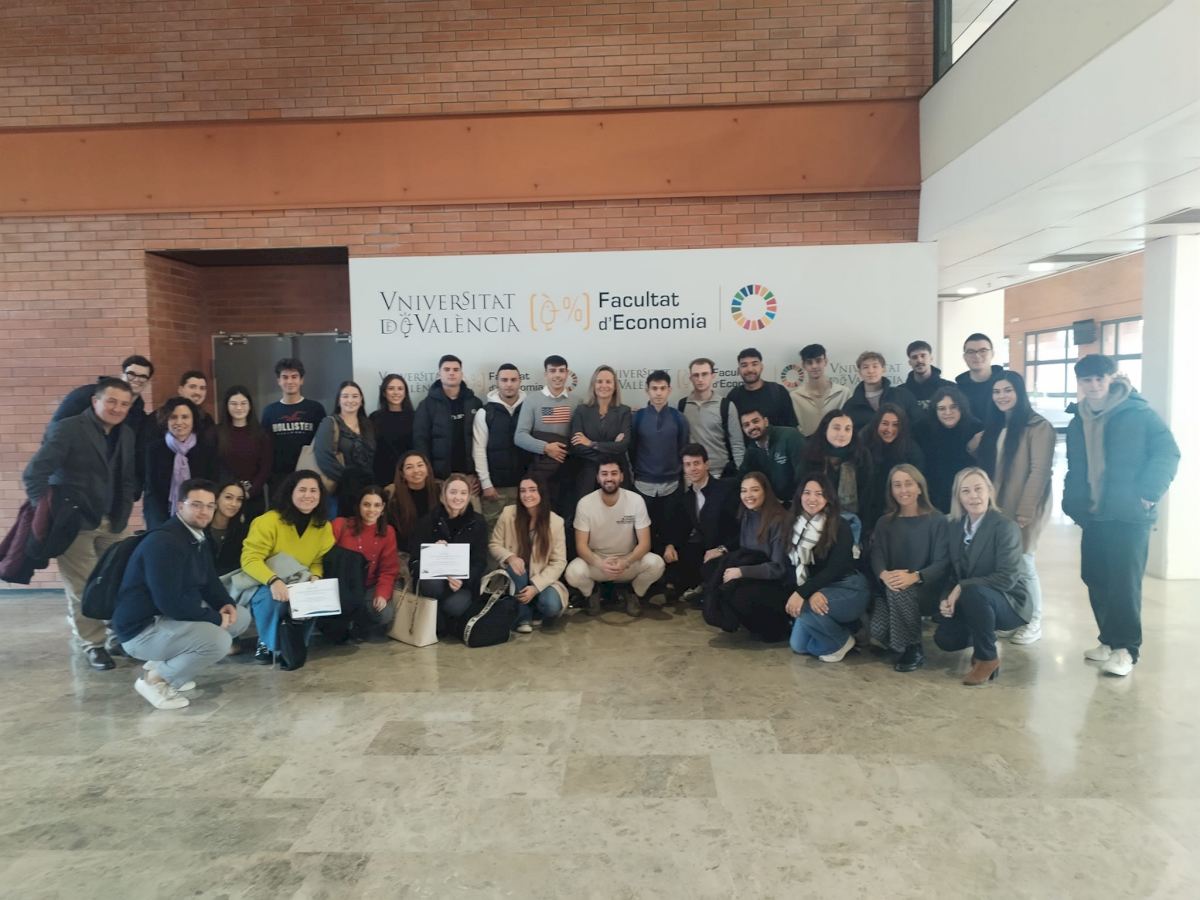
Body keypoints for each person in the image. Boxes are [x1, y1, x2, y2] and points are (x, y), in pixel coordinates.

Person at [1063, 354, 1180, 677]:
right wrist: (1072, 500)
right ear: (1080, 383)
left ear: (1112, 378)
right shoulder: (1079, 419)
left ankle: (1126, 649)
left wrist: (1148, 493)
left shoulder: (1138, 413)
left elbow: (1168, 452)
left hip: (1129, 515)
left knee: (1124, 584)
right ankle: (1109, 639)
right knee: (1096, 578)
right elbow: (1076, 466)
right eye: (1087, 380)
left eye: (1100, 378)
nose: (1094, 386)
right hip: (1094, 514)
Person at [23, 377, 139, 670]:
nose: (117, 408)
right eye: (111, 401)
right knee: (83, 587)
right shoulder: (69, 429)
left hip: (113, 521)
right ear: (95, 401)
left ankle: (116, 636)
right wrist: (48, 512)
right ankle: (93, 644)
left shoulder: (126, 434)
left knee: (120, 579)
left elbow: (127, 479)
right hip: (75, 524)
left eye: (124, 404)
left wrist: (124, 510)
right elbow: (34, 474)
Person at [113, 478, 251, 709]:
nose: (204, 511)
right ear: (180, 506)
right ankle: (156, 680)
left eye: (209, 506)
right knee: (218, 641)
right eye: (196, 504)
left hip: (166, 618)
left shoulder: (195, 535)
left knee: (240, 616)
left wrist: (225, 603)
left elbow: (208, 579)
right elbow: (170, 603)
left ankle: (167, 665)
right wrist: (215, 618)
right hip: (141, 630)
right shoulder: (164, 542)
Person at [975, 371, 1055, 645]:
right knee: (1006, 564)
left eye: (1007, 390)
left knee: (1024, 563)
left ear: (1020, 392)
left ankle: (1034, 621)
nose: (1002, 396)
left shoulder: (1038, 426)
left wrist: (1026, 509)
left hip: (1023, 505)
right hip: (997, 506)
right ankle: (1016, 616)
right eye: (996, 392)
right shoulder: (997, 426)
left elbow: (1039, 471)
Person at [933, 468, 1031, 686]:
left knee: (974, 592)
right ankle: (983, 636)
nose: (973, 496)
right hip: (975, 600)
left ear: (989, 491)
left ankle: (987, 658)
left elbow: (1007, 578)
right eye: (965, 491)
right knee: (945, 639)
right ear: (958, 497)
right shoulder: (955, 527)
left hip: (1009, 600)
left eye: (978, 489)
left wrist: (963, 586)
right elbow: (953, 573)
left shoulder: (1005, 527)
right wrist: (946, 598)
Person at [242, 470, 335, 667]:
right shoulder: (268, 521)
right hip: (265, 581)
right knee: (273, 600)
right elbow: (250, 559)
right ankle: (266, 642)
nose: (308, 495)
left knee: (314, 598)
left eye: (313, 491)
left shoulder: (323, 526)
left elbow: (318, 560)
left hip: (300, 580)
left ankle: (294, 643)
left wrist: (316, 577)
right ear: (290, 492)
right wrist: (273, 581)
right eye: (302, 490)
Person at [868, 464, 948, 671]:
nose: (903, 490)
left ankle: (914, 647)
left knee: (900, 590)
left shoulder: (937, 520)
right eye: (897, 485)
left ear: (919, 488)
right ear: (891, 490)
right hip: (891, 585)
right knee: (877, 632)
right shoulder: (884, 522)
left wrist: (915, 577)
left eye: (908, 484)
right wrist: (884, 575)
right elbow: (877, 555)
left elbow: (942, 562)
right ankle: (900, 637)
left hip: (926, 588)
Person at [784, 475, 871, 661]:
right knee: (799, 646)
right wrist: (810, 592)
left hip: (848, 587)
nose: (812, 498)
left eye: (819, 494)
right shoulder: (793, 525)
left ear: (828, 498)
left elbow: (836, 569)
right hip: (818, 588)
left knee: (805, 609)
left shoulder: (840, 525)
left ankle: (843, 641)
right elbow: (790, 566)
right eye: (807, 493)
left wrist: (804, 593)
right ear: (799, 496)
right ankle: (847, 628)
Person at [565, 461, 665, 617]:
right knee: (573, 573)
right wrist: (600, 564)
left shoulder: (636, 500)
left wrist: (626, 561)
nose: (609, 478)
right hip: (597, 563)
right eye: (604, 474)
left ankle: (632, 593)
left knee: (656, 564)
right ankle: (592, 593)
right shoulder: (585, 503)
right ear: (598, 478)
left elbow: (645, 543)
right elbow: (581, 546)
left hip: (628, 561)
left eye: (614, 473)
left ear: (621, 476)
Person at [703, 472, 792, 640]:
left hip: (776, 582)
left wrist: (741, 572)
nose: (748, 495)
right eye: (744, 491)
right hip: (754, 572)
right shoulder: (746, 514)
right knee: (712, 568)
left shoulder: (778, 521)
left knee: (740, 595)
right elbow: (744, 551)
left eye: (754, 490)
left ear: (765, 491)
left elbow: (778, 569)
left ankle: (774, 627)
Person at [49, 354, 154, 496]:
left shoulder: (139, 416)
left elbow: (134, 454)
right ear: (122, 374)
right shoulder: (85, 395)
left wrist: (132, 488)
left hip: (109, 489)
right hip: (72, 484)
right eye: (131, 374)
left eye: (143, 377)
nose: (136, 379)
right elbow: (56, 431)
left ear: (148, 382)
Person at [660, 443, 739, 603]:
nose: (692, 469)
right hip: (705, 549)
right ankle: (684, 588)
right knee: (674, 554)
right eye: (688, 464)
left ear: (706, 464)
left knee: (710, 568)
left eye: (696, 463)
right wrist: (670, 545)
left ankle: (704, 591)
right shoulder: (688, 497)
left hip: (728, 549)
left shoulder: (725, 490)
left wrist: (722, 549)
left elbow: (740, 529)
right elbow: (682, 528)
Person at [489, 475, 568, 634]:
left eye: (532, 490)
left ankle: (535, 609)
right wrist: (510, 557)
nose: (527, 495)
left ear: (541, 493)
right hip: (516, 576)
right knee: (517, 569)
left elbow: (559, 561)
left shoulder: (556, 522)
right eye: (523, 491)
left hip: (541, 579)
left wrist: (536, 587)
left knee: (551, 605)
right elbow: (494, 544)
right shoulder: (508, 514)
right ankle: (523, 617)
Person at [410, 474, 490, 625]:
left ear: (469, 496)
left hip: (462, 584)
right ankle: (436, 622)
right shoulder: (427, 521)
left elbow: (480, 562)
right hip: (434, 581)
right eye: (453, 492)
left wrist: (463, 580)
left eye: (463, 493)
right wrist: (432, 552)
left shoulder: (478, 522)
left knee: (454, 606)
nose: (458, 497)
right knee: (432, 584)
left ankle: (439, 621)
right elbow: (414, 561)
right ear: (444, 495)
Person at [631, 370, 690, 561]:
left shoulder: (679, 418)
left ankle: (669, 575)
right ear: (647, 390)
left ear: (669, 390)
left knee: (670, 534)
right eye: (654, 388)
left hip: (671, 485)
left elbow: (683, 450)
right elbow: (632, 449)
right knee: (644, 533)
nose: (658, 393)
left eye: (662, 388)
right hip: (643, 484)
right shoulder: (637, 417)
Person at [332, 485, 400, 636]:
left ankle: (359, 623)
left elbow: (389, 569)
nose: (371, 510)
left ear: (383, 508)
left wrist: (382, 593)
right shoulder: (340, 525)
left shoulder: (388, 532)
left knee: (384, 614)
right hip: (343, 586)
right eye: (367, 504)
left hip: (369, 585)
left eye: (377, 505)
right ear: (359, 506)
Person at [515, 354, 579, 511]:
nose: (557, 375)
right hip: (541, 470)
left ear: (567, 373)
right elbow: (520, 436)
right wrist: (546, 448)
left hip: (568, 470)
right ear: (546, 374)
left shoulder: (577, 401)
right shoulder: (532, 400)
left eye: (561, 371)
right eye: (552, 371)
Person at [473, 363, 531, 528]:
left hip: (525, 486)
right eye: (504, 380)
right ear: (497, 382)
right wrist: (486, 484)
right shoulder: (485, 413)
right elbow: (478, 450)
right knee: (493, 531)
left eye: (513, 380)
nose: (509, 384)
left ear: (520, 381)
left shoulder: (530, 409)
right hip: (496, 489)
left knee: (523, 531)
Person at [144, 397, 216, 530]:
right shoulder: (154, 450)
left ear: (193, 420)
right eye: (173, 417)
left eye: (185, 417)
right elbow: (152, 491)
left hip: (199, 517)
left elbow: (211, 486)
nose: (179, 422)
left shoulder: (206, 449)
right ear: (166, 420)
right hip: (162, 517)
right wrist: (160, 526)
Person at [414, 354, 483, 487]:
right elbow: (420, 441)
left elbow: (482, 441)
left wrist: (478, 475)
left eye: (456, 370)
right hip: (439, 479)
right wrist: (429, 474)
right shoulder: (427, 405)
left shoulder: (474, 403)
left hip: (470, 477)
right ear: (439, 374)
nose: (451, 373)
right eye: (447, 369)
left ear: (462, 374)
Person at [858, 403, 926, 536]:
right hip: (865, 512)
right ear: (876, 424)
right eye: (885, 423)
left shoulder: (912, 452)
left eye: (895, 425)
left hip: (900, 513)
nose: (889, 429)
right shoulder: (862, 445)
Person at [208, 384, 273, 518]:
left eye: (243, 403)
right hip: (224, 498)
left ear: (250, 406)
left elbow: (265, 468)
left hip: (253, 497)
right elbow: (213, 466)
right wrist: (228, 493)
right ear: (226, 406)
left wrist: (249, 492)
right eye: (234, 404)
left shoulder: (261, 434)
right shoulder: (215, 433)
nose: (239, 408)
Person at [726, 347, 798, 467]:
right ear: (739, 370)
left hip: (781, 460)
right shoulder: (734, 396)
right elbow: (732, 436)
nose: (750, 369)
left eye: (754, 364)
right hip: (749, 462)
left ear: (761, 367)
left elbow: (791, 428)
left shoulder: (778, 392)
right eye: (744, 365)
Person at [313, 380, 376, 515]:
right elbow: (324, 457)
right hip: (338, 490)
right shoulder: (329, 423)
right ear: (338, 400)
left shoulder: (368, 424)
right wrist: (348, 480)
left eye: (355, 396)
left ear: (361, 400)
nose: (350, 400)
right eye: (345, 396)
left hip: (365, 490)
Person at [571, 364, 632, 501]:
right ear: (593, 385)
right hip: (587, 476)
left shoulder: (624, 411)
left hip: (616, 475)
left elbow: (623, 445)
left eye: (608, 381)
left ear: (615, 386)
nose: (604, 385)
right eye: (599, 381)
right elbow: (577, 446)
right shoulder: (581, 410)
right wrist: (612, 448)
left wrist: (591, 443)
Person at [916, 386, 982, 514]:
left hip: (967, 495)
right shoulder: (922, 429)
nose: (948, 412)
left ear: (961, 407)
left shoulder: (975, 428)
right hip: (932, 496)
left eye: (953, 407)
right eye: (942, 408)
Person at [261, 357, 327, 483]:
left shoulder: (315, 409)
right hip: (278, 477)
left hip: (309, 475)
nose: (290, 381)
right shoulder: (269, 411)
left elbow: (323, 444)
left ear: (301, 380)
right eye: (285, 377)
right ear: (278, 381)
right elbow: (264, 448)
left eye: (294, 377)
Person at [802, 410, 869, 520]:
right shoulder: (810, 454)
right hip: (816, 515)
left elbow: (867, 493)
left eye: (847, 429)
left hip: (853, 518)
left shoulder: (861, 455)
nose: (842, 434)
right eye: (836, 428)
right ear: (825, 429)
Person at [737, 409, 805, 506]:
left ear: (766, 421)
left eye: (755, 421)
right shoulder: (751, 450)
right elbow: (742, 476)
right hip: (774, 504)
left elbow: (805, 473)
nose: (752, 427)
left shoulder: (790, 436)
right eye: (746, 425)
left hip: (799, 501)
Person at [678, 357, 732, 475]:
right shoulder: (683, 405)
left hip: (720, 472)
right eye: (696, 375)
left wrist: (738, 472)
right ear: (690, 378)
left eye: (704, 374)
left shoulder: (726, 405)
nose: (700, 379)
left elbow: (737, 444)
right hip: (692, 472)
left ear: (713, 376)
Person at [385, 450, 440, 564]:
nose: (416, 470)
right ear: (402, 473)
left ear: (428, 469)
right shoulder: (392, 496)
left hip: (437, 552)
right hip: (405, 554)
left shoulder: (441, 491)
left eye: (420, 465)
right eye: (409, 467)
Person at [843, 351, 919, 433]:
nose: (871, 371)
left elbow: (917, 424)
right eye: (865, 367)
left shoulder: (902, 395)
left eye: (875, 366)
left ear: (883, 369)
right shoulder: (851, 405)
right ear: (860, 373)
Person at [790, 344, 852, 437]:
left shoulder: (844, 393)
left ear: (825, 362)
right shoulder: (795, 396)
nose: (814, 366)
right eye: (809, 362)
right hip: (806, 444)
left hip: (838, 443)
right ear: (803, 365)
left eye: (818, 361)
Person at [369, 374, 414, 488]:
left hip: (408, 474)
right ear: (384, 393)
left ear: (405, 392)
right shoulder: (374, 418)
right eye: (391, 388)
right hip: (381, 474)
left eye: (400, 388)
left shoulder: (415, 417)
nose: (396, 392)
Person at [955, 333, 1004, 423]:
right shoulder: (957, 390)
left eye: (983, 350)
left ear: (992, 354)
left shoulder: (1006, 384)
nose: (977, 356)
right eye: (971, 352)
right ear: (964, 357)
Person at [899, 340, 952, 421]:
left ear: (931, 358)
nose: (919, 360)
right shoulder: (900, 392)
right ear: (910, 362)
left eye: (923, 356)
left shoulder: (950, 388)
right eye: (914, 357)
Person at [207, 480, 250, 576]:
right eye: (228, 497)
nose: (234, 504)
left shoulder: (244, 532)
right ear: (216, 498)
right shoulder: (199, 527)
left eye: (239, 499)